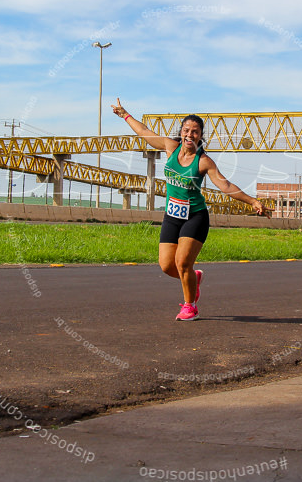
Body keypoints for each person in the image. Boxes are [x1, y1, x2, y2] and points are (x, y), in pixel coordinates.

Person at [111, 99, 270, 321]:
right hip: (172, 216)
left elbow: (225, 186)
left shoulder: (204, 161)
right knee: (167, 266)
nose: (189, 135)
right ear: (181, 132)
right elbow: (144, 131)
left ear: (200, 136)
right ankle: (193, 278)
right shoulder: (170, 147)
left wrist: (251, 200)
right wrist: (125, 115)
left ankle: (190, 306)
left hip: (195, 217)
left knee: (182, 262)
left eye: (195, 132)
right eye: (186, 130)